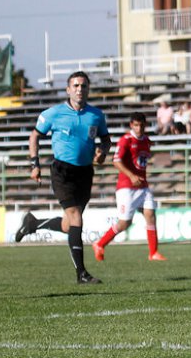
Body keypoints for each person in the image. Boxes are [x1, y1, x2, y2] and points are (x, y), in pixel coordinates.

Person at [14, 71, 112, 284]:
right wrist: (34, 164)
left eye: (83, 86)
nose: (80, 89)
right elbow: (34, 136)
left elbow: (106, 139)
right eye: (75, 85)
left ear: (88, 89)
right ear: (68, 89)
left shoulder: (96, 115)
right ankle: (82, 274)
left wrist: (102, 152)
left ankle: (32, 225)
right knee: (76, 217)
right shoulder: (54, 113)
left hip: (85, 172)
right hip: (62, 171)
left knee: (70, 225)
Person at [92, 112, 166, 262]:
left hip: (143, 186)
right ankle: (99, 244)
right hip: (127, 187)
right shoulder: (125, 140)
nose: (139, 128)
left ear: (145, 125)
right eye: (136, 125)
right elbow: (116, 161)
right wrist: (132, 176)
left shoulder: (146, 141)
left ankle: (153, 253)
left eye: (141, 125)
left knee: (151, 215)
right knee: (124, 223)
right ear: (131, 125)